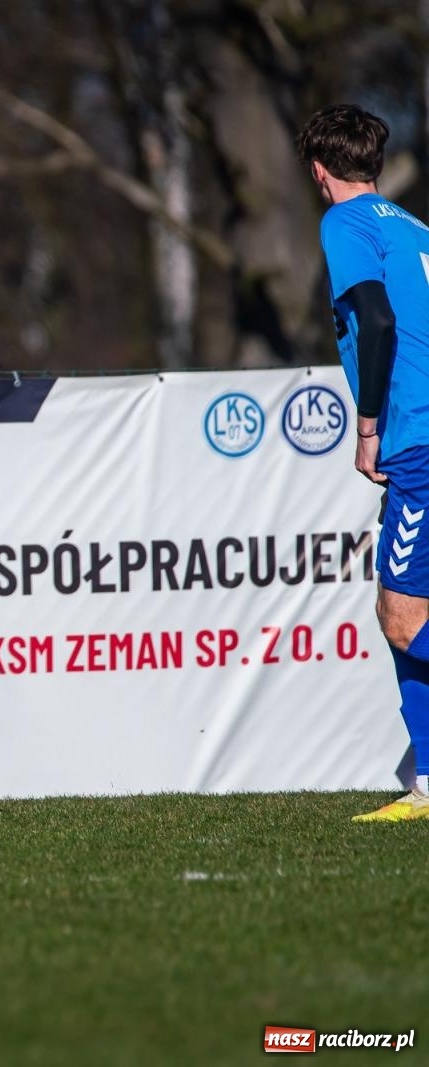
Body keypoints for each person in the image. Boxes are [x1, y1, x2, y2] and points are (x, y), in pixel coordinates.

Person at [299, 104, 429, 822]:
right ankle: (428, 785)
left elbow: (374, 320)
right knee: (406, 612)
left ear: (320, 172)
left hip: (417, 438)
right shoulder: (415, 229)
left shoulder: (343, 223)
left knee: (402, 616)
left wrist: (370, 427)